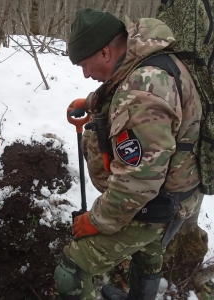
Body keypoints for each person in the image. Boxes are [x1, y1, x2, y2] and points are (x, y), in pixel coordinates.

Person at [54, 8, 203, 300]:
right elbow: (122, 82)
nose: (85, 73)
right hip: (173, 193)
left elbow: (138, 183)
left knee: (71, 269)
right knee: (148, 253)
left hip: (155, 202)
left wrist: (94, 220)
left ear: (106, 52)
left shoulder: (140, 95)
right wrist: (92, 101)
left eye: (85, 64)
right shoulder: (149, 59)